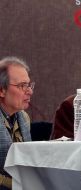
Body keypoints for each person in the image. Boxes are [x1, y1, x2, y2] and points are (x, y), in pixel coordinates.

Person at [0, 57, 34, 190]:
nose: (30, 91)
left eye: (29, 85)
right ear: (2, 90)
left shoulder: (23, 118)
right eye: (22, 86)